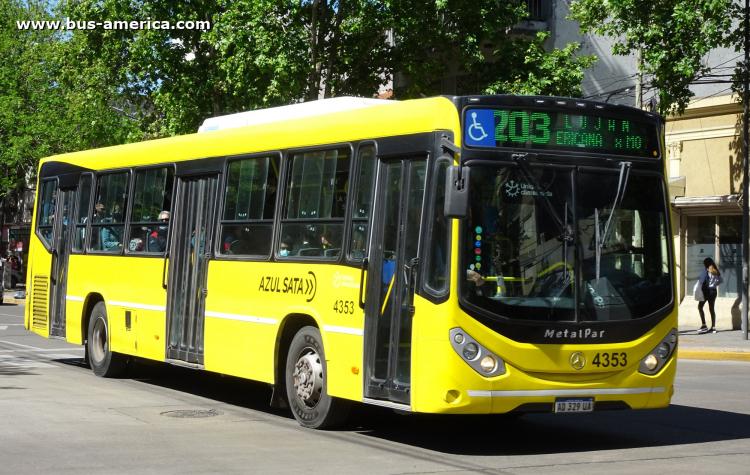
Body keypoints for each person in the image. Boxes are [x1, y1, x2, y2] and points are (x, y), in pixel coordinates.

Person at [697, 257, 723, 334]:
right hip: (713, 291)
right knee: (711, 309)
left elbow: (701, 280)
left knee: (700, 306)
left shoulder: (705, 270)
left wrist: (698, 285)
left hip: (707, 291)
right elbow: (721, 280)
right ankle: (713, 327)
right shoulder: (715, 270)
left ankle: (704, 324)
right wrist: (715, 284)